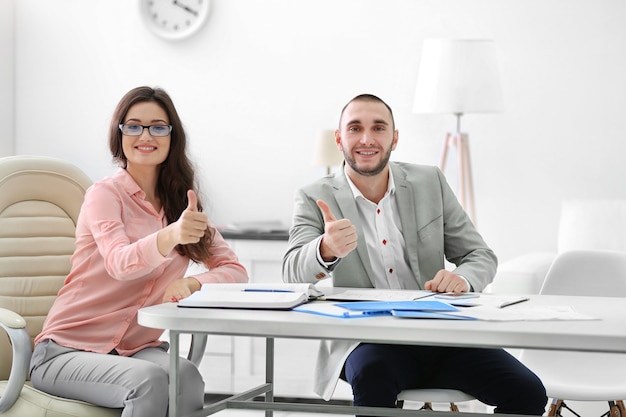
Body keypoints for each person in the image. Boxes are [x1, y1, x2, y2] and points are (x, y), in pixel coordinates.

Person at [283, 94, 547, 416]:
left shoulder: (429, 181)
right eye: (355, 128)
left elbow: (480, 254)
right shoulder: (314, 196)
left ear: (394, 138)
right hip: (369, 341)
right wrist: (325, 249)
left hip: (441, 335)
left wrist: (462, 278)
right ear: (339, 139)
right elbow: (292, 272)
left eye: (378, 128)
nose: (367, 139)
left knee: (528, 392)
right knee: (372, 376)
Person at [30, 86, 249, 417]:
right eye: (134, 125)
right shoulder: (104, 196)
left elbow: (235, 270)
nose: (146, 135)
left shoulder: (180, 204)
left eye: (158, 126)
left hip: (133, 349)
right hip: (63, 352)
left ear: (172, 136)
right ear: (119, 135)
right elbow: (120, 263)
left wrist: (194, 284)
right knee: (147, 381)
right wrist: (169, 235)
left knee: (187, 377)